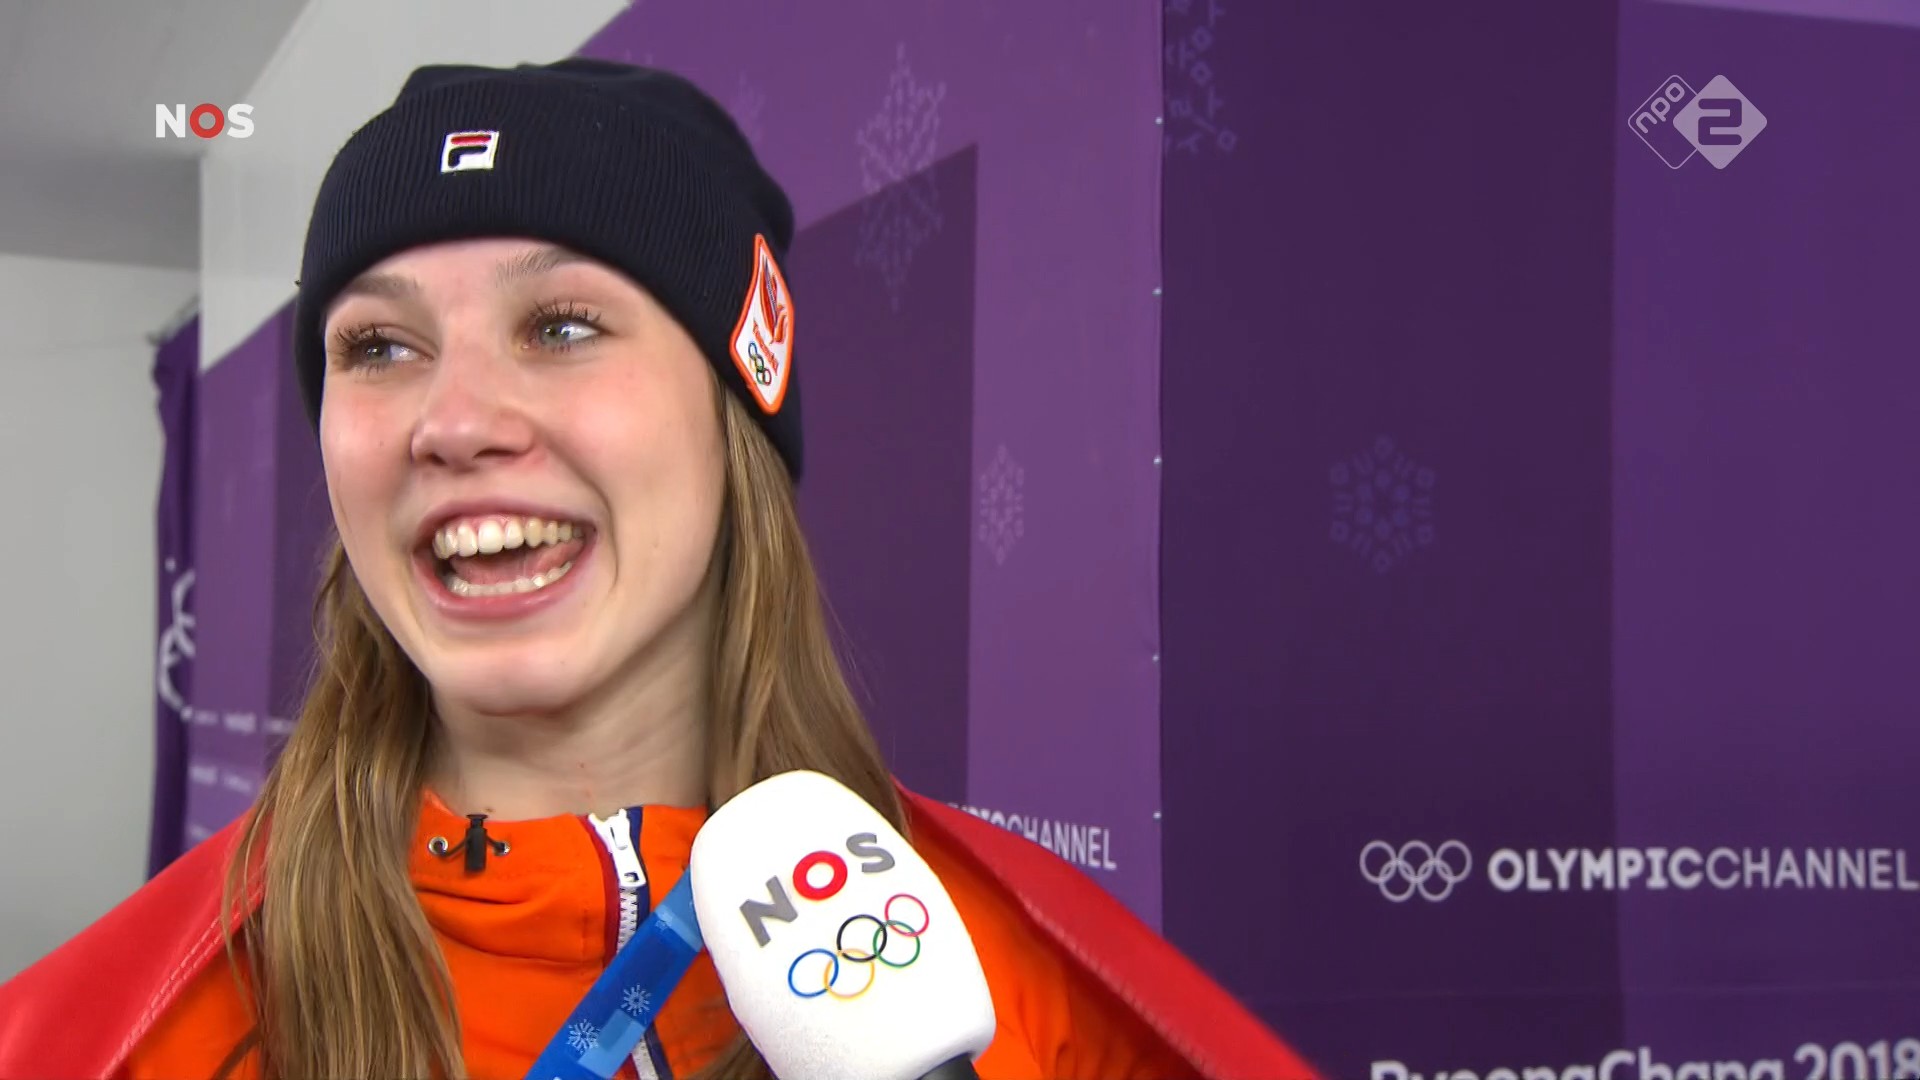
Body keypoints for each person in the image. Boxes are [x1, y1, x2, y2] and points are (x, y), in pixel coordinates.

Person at [0, 59, 1318, 1080]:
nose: (453, 423)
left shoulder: (1030, 990)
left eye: (562, 325)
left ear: (736, 411)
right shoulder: (113, 1033)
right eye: (379, 348)